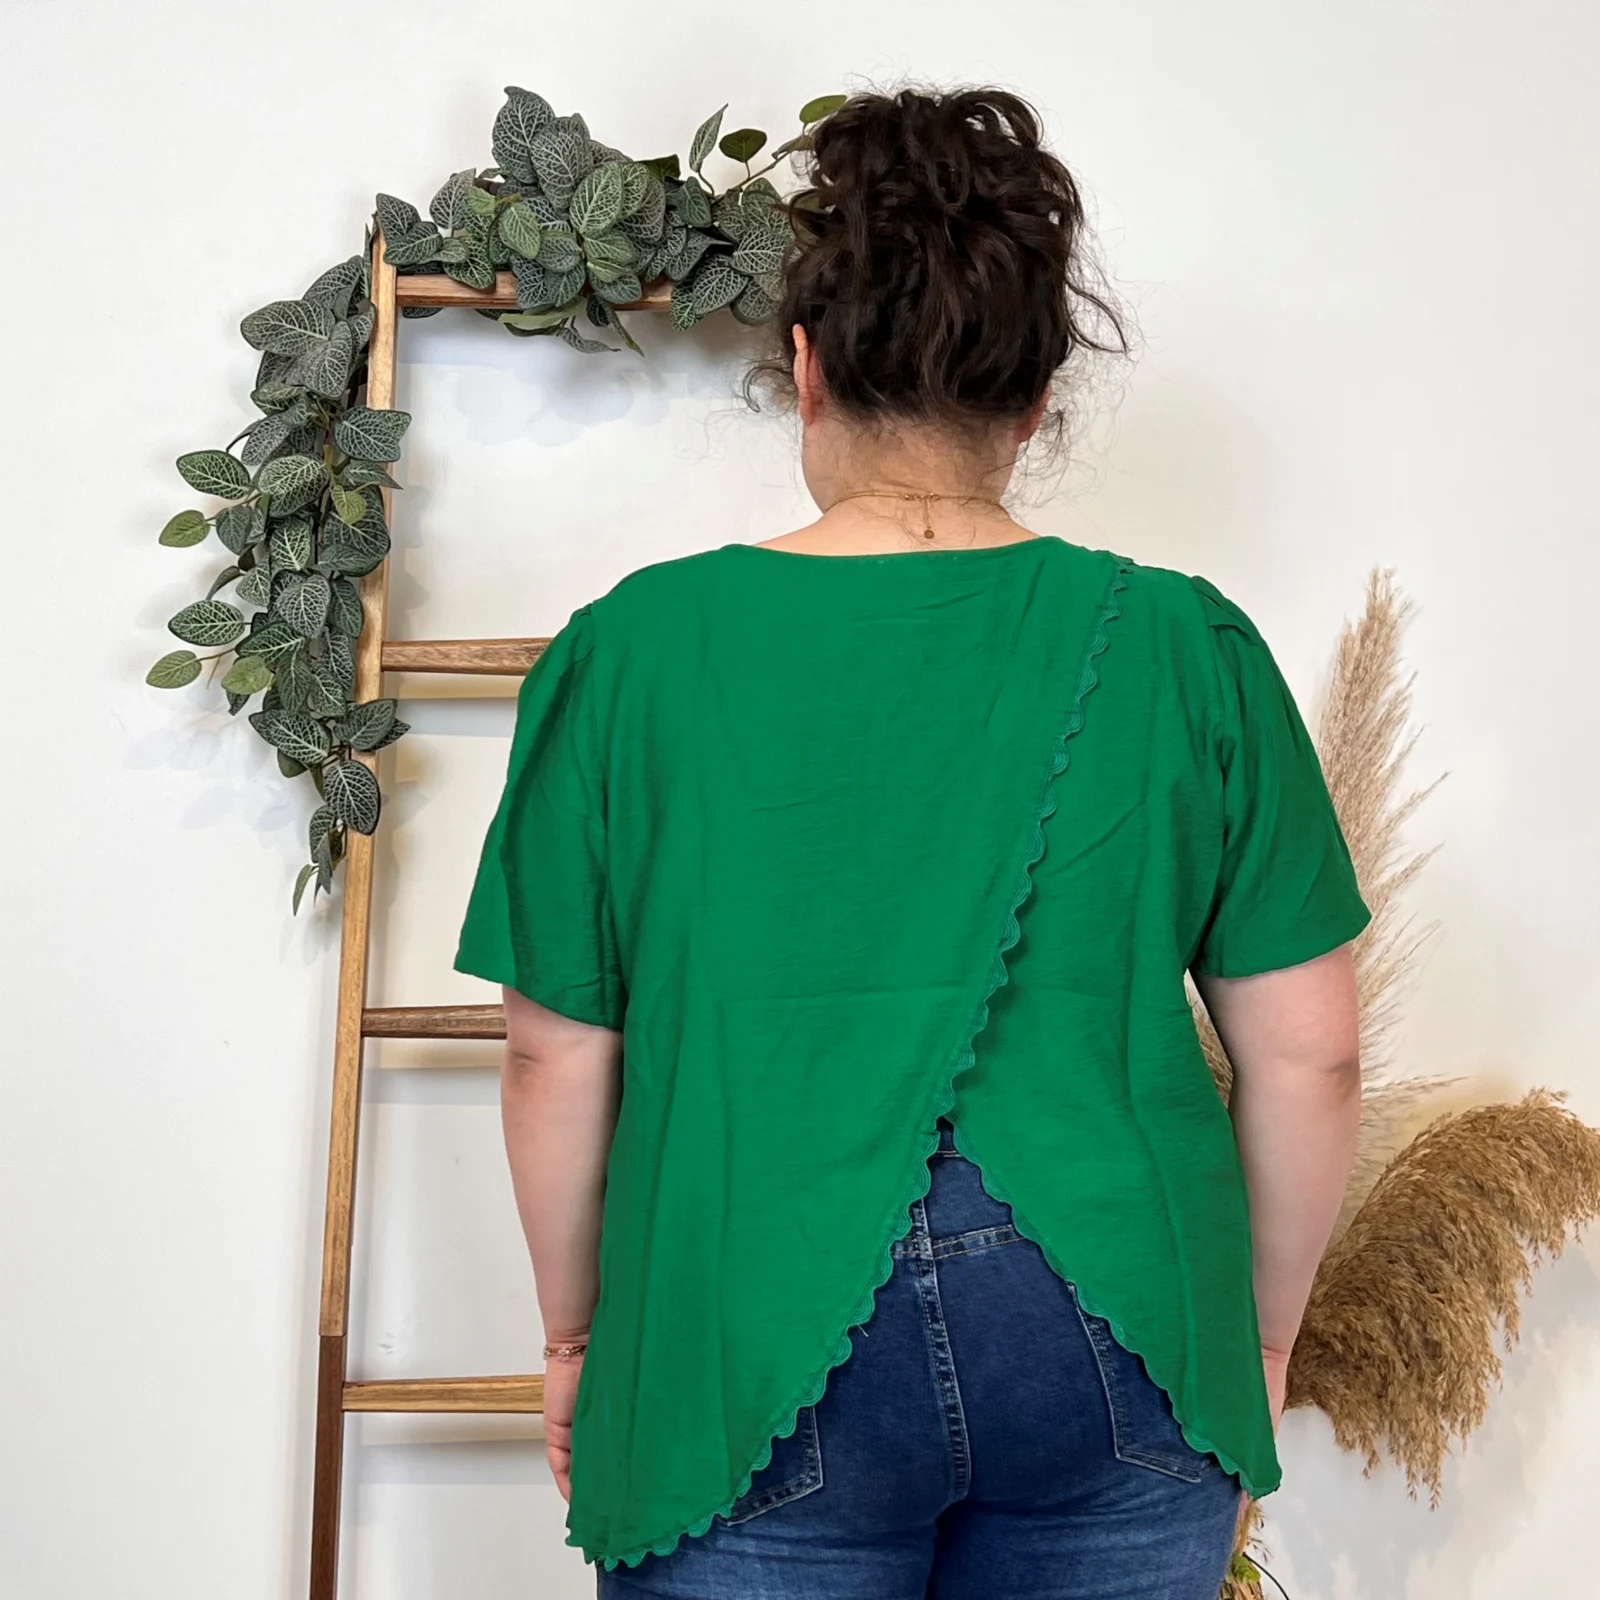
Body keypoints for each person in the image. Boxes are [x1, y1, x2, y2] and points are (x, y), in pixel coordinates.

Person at [454, 85, 1370, 1600]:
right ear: (1035, 402)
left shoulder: (631, 652)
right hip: (1117, 1316)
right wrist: (1256, 1343)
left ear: (804, 367)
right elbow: (1311, 1054)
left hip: (748, 1312)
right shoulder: (1187, 647)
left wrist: (574, 1338)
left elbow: (555, 1051)